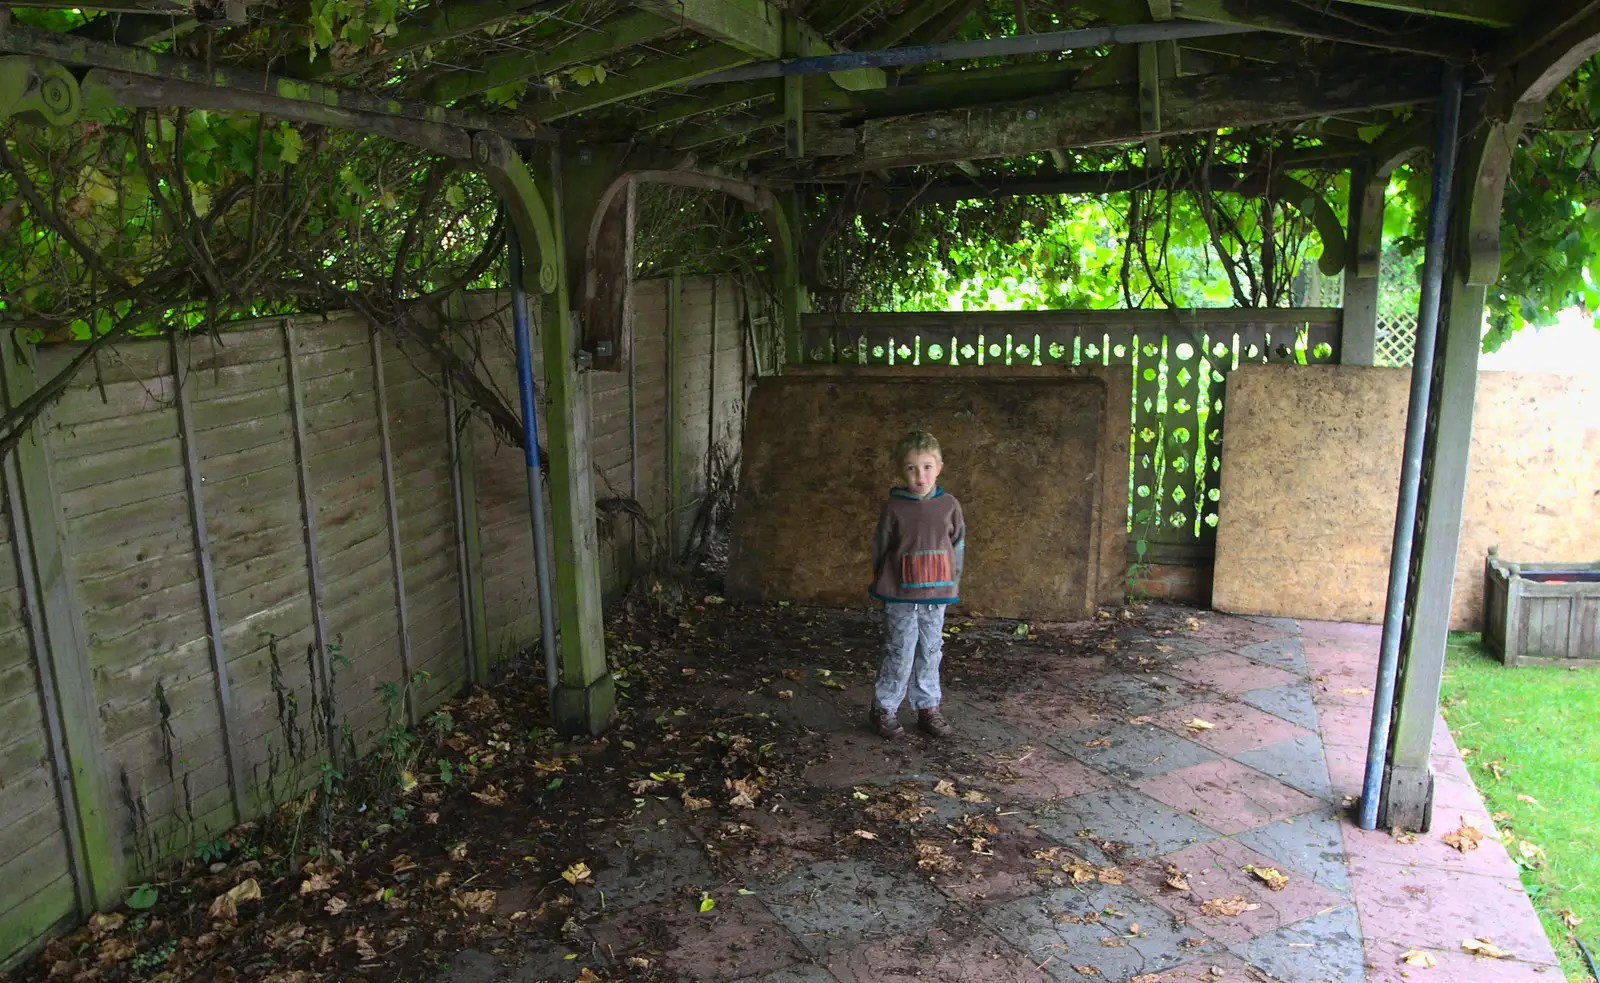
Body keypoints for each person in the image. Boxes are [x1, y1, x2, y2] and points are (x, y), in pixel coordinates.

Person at [868, 430, 965, 740]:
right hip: (901, 596)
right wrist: (881, 583)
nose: (920, 475)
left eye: (926, 466)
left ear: (939, 467)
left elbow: (957, 545)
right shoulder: (895, 507)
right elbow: (881, 549)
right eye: (911, 468)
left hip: (936, 595)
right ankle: (884, 708)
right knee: (901, 650)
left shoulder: (949, 505)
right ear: (902, 470)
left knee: (931, 649)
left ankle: (927, 706)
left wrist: (953, 583)